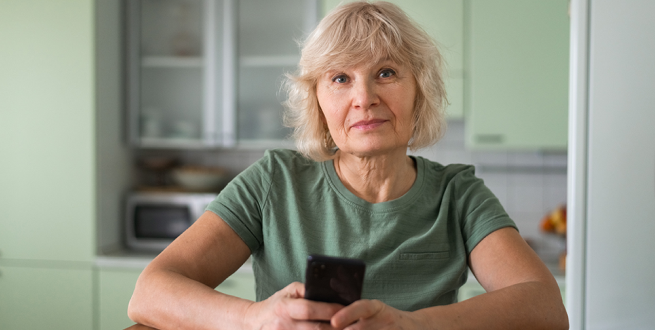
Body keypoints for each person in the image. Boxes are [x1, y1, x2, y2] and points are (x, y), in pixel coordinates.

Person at [128, 2, 569, 329]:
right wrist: (256, 319)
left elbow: (546, 307)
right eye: (340, 78)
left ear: (420, 91)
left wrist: (412, 326)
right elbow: (150, 292)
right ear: (318, 102)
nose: (365, 98)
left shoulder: (458, 195)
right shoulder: (273, 181)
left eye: (387, 73)